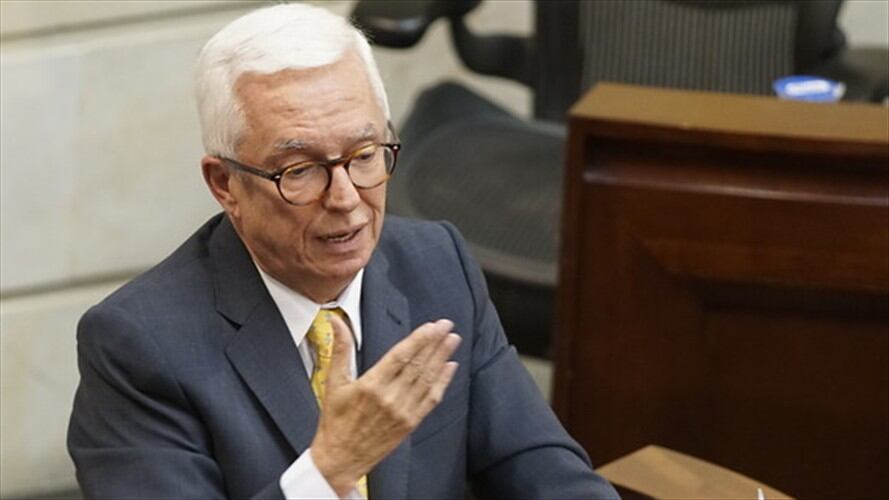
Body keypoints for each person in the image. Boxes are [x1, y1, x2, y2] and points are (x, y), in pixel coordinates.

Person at [67, 4, 619, 499]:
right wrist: (329, 469)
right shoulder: (137, 345)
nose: (347, 199)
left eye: (364, 154)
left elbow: (536, 463)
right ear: (225, 184)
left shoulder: (437, 263)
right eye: (300, 170)